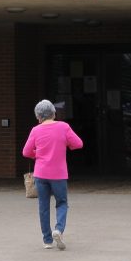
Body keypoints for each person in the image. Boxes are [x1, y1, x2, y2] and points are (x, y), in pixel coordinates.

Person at [22, 99, 83, 250]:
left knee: (43, 206)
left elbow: (26, 152)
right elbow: (78, 144)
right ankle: (59, 230)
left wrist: (38, 154)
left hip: (41, 173)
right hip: (59, 174)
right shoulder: (63, 127)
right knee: (62, 203)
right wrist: (65, 145)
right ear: (54, 113)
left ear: (38, 116)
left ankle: (47, 240)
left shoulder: (35, 130)